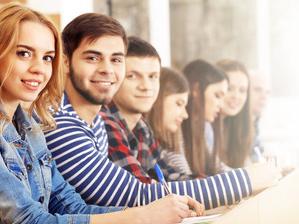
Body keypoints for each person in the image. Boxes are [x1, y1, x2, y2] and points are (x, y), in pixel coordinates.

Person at [0, 4, 203, 224]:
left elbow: (71, 207)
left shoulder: (31, 127)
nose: (39, 68)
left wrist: (154, 212)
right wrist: (142, 217)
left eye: (47, 58)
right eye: (23, 53)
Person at [45, 19, 274, 212]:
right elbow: (137, 196)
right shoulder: (61, 125)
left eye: (116, 59)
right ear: (65, 62)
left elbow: (166, 175)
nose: (107, 69)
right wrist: (244, 181)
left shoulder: (93, 121)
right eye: (92, 58)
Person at [181, 59, 230, 176]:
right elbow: (184, 179)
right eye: (217, 96)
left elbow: (217, 167)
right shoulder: (175, 128)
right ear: (196, 90)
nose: (221, 105)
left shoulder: (199, 128)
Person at [145, 67, 193, 180]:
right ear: (157, 99)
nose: (185, 115)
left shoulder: (165, 138)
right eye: (179, 104)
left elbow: (183, 179)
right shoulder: (141, 137)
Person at [216, 59, 253, 168]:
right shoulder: (205, 128)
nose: (236, 96)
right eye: (229, 88)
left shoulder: (236, 127)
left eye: (242, 90)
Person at [249, 69, 272, 161]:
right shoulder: (234, 127)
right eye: (258, 90)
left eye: (268, 92)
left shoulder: (255, 122)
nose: (264, 97)